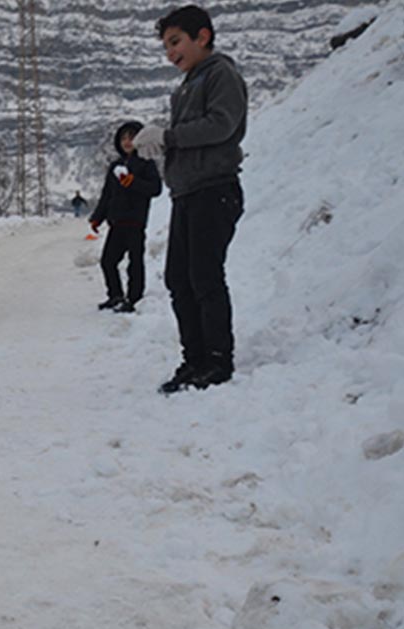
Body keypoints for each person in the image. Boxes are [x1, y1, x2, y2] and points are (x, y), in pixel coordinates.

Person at [133, 5, 247, 394]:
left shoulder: (221, 75)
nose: (170, 53)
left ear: (203, 37)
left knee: (204, 277)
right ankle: (193, 358)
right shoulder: (185, 87)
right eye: (165, 46)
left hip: (214, 191)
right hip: (186, 193)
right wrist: (161, 148)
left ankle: (217, 360)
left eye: (175, 42)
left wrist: (168, 137)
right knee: (179, 279)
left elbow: (221, 125)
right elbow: (187, 138)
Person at [89, 121, 163, 313]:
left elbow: (155, 189)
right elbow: (107, 195)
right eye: (123, 138)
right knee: (108, 261)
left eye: (131, 137)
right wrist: (98, 217)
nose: (127, 142)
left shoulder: (146, 163)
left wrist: (132, 182)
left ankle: (134, 299)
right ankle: (115, 295)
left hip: (136, 222)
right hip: (117, 222)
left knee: (135, 262)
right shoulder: (115, 166)